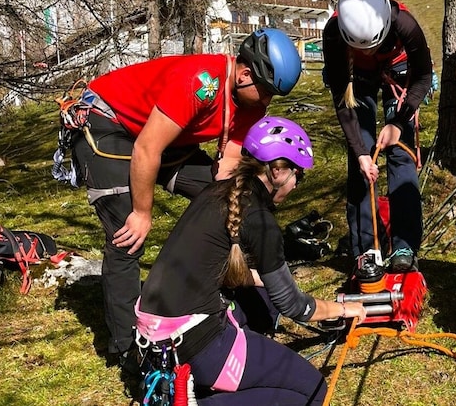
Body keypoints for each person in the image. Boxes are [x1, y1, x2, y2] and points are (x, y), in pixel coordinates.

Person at [68, 28, 302, 363]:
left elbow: (230, 161)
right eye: (265, 93)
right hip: (109, 122)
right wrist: (143, 211)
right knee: (127, 235)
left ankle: (224, 294)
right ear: (245, 74)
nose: (266, 102)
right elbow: (147, 150)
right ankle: (128, 349)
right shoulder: (201, 83)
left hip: (163, 135)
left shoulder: (252, 101)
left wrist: (229, 200)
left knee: (222, 199)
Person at [135, 116, 367, 405]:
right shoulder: (260, 220)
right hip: (197, 344)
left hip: (154, 338)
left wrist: (259, 279)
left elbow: (215, 267)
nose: (297, 184)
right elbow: (295, 306)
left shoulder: (216, 191)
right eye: (299, 174)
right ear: (278, 171)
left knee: (264, 302)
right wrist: (343, 309)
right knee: (314, 392)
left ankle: (216, 377)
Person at [322, 0, 431, 271]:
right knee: (364, 157)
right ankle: (365, 248)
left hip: (398, 68)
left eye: (373, 45)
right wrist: (358, 150)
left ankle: (405, 245)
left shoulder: (404, 24)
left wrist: (399, 120)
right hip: (355, 74)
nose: (369, 50)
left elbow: (423, 77)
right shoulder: (334, 34)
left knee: (399, 150)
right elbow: (342, 99)